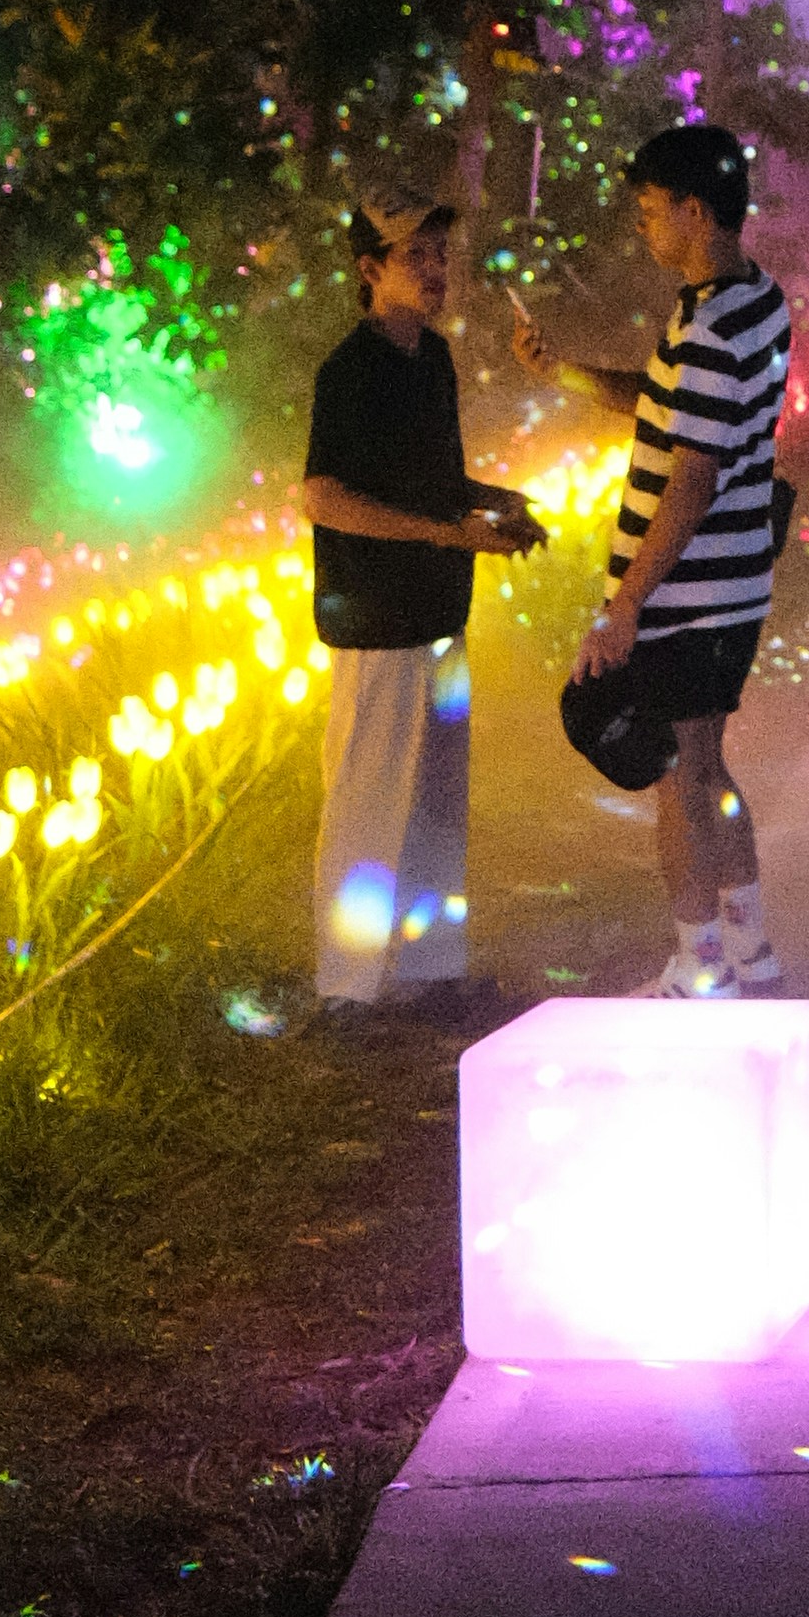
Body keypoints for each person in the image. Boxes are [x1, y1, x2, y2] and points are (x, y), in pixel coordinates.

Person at [551, 121, 794, 997]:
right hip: (735, 588)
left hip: (690, 596)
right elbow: (673, 407)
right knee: (707, 764)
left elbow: (691, 479)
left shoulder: (708, 329)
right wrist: (565, 373)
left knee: (679, 781)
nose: (643, 225)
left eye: (653, 210)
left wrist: (626, 605)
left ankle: (699, 966)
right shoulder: (754, 300)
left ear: (696, 210)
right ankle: (750, 946)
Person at [296, 199, 543, 1011]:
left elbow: (433, 481)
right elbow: (324, 496)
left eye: (441, 254)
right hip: (377, 618)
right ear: (370, 270)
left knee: (437, 805)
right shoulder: (350, 371)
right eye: (416, 257)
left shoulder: (432, 358)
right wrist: (445, 533)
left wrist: (494, 503)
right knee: (368, 801)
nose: (436, 271)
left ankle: (429, 970)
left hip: (439, 611)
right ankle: (348, 988)